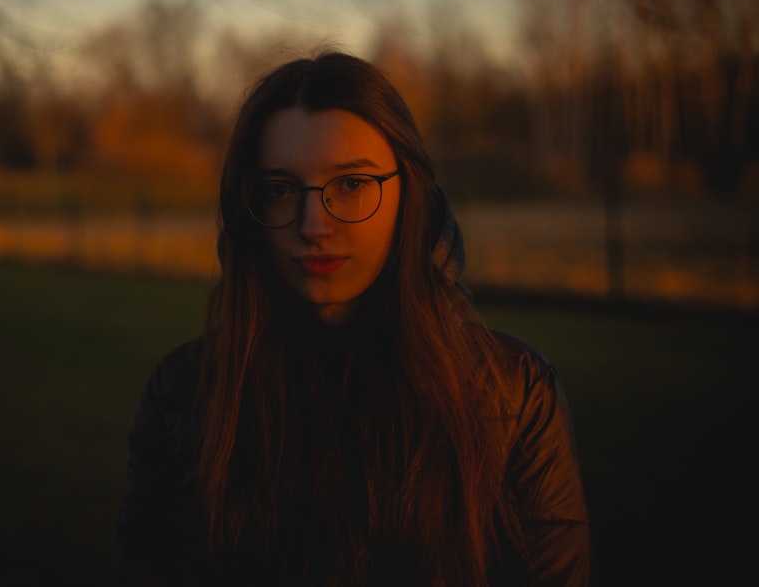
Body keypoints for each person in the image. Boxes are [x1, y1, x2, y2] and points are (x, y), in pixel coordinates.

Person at [115, 51, 591, 586]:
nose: (314, 224)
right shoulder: (183, 395)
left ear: (409, 194)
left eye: (351, 184)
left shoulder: (514, 394)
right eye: (280, 191)